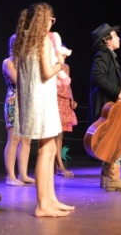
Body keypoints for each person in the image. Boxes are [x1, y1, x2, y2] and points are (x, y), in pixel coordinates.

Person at [13, 3, 74, 217]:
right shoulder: (43, 41)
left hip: (33, 99)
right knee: (46, 150)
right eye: (50, 19)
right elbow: (48, 72)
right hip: (42, 100)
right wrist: (60, 62)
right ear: (42, 20)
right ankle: (42, 204)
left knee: (48, 148)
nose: (51, 23)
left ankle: (51, 199)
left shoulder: (24, 41)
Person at [89, 23, 121, 191]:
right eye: (116, 36)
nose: (119, 38)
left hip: (109, 105)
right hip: (106, 106)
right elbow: (97, 76)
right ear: (107, 39)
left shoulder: (109, 56)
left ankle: (106, 178)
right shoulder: (103, 55)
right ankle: (113, 178)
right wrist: (117, 91)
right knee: (115, 140)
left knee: (110, 140)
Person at [2, 35, 34, 186]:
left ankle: (23, 174)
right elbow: (19, 81)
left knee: (26, 140)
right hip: (14, 101)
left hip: (28, 101)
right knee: (14, 139)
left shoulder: (29, 62)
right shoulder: (8, 62)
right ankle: (10, 176)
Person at [49, 32, 78, 177]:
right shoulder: (51, 65)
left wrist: (72, 98)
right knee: (55, 134)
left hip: (64, 99)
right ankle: (59, 166)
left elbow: (68, 85)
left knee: (60, 135)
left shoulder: (65, 67)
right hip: (54, 98)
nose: (64, 57)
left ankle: (58, 165)